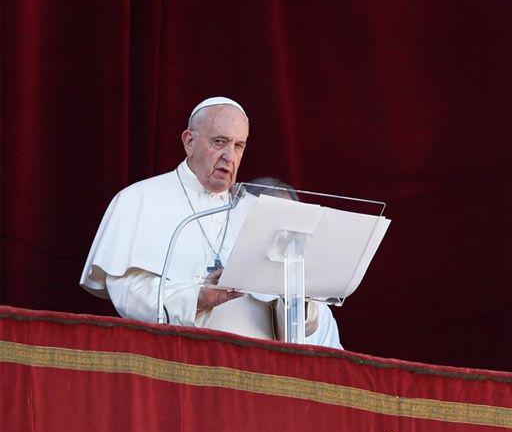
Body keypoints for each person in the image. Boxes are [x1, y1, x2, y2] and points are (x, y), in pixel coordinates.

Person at [80, 97, 342, 349]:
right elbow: (127, 290)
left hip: (258, 370)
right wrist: (198, 298)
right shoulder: (139, 198)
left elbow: (302, 323)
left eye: (238, 146)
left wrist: (299, 302)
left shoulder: (261, 213)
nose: (230, 156)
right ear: (189, 141)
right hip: (179, 360)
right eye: (219, 142)